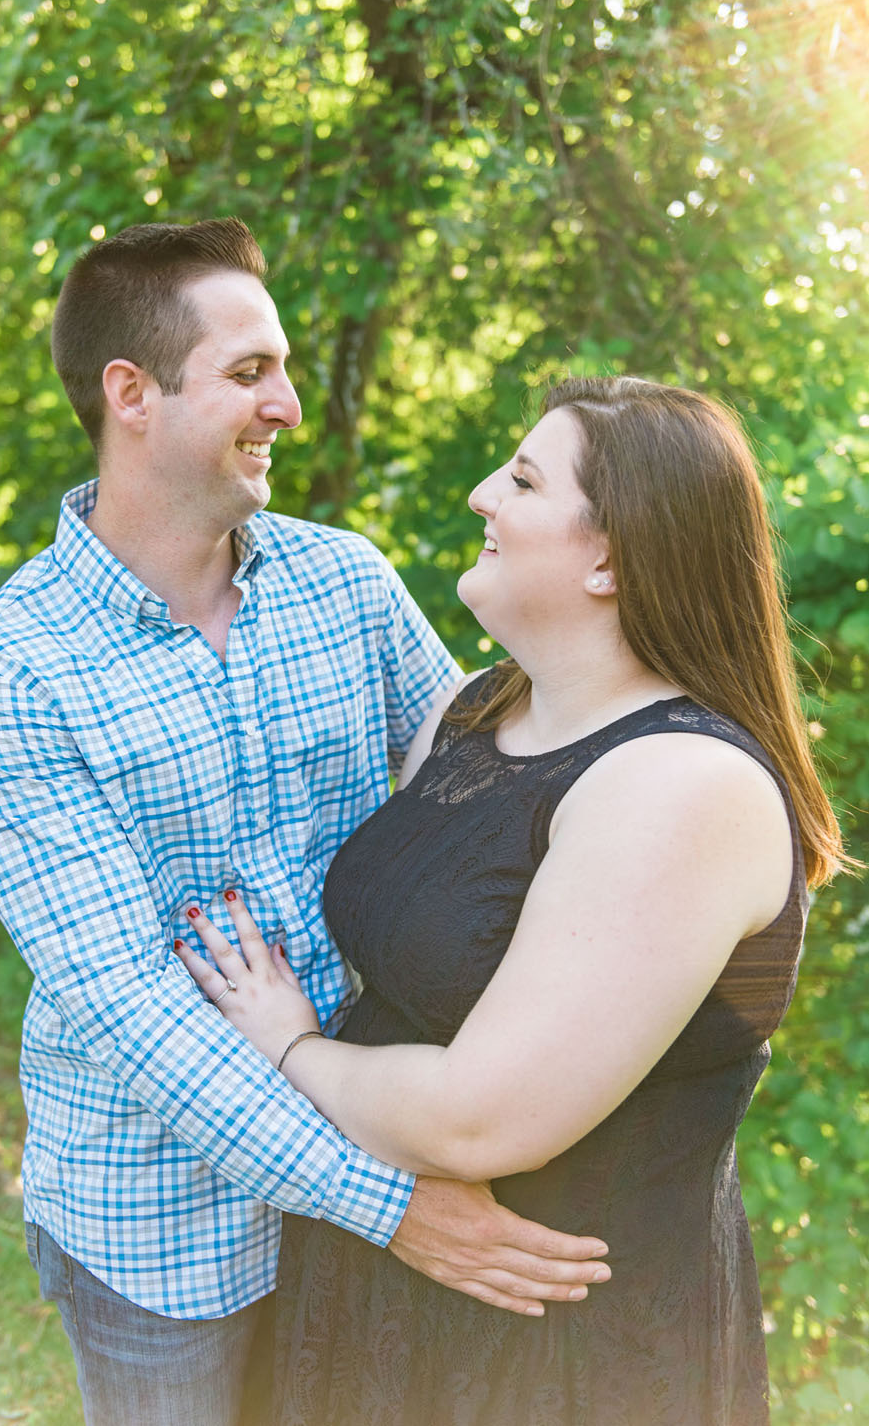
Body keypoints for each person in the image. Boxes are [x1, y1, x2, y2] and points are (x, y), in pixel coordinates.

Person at [0, 220, 611, 1426]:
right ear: (130, 394)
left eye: (286, 367)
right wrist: (394, 1208)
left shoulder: (341, 581)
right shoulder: (7, 676)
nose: (289, 405)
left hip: (379, 1140)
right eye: (250, 373)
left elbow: (493, 787)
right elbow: (130, 1012)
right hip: (166, 1233)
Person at [174, 375, 849, 1426]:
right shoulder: (475, 708)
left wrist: (288, 1049)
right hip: (379, 1302)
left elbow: (479, 1121)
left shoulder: (682, 787)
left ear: (610, 557)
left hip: (562, 1354)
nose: (485, 494)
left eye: (524, 479)